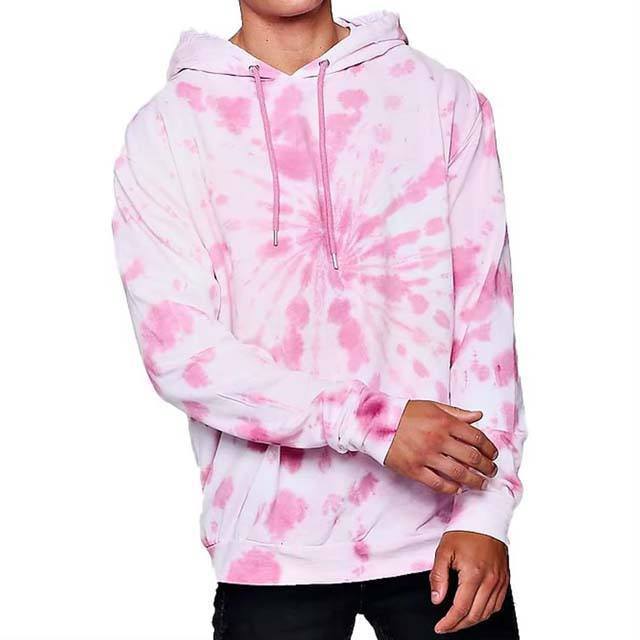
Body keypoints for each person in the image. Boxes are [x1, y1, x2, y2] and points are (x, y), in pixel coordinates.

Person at [111, 2, 527, 637]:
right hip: (270, 549)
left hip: (446, 539)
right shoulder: (168, 127)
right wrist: (374, 423)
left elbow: (484, 315)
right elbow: (182, 354)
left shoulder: (437, 96)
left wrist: (486, 514)